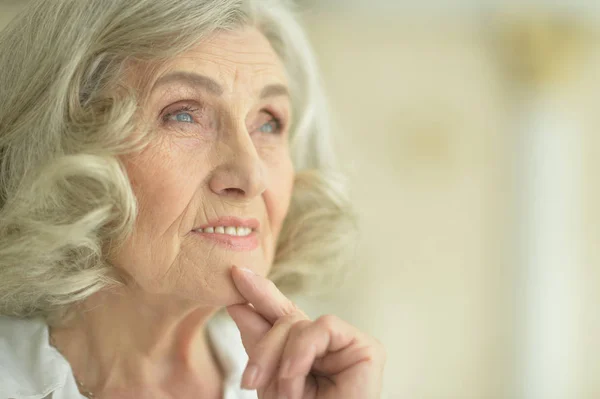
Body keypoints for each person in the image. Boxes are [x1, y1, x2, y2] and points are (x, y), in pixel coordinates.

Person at [0, 0, 386, 398]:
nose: (252, 176)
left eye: (268, 122)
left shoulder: (302, 385)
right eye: (183, 114)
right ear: (60, 146)